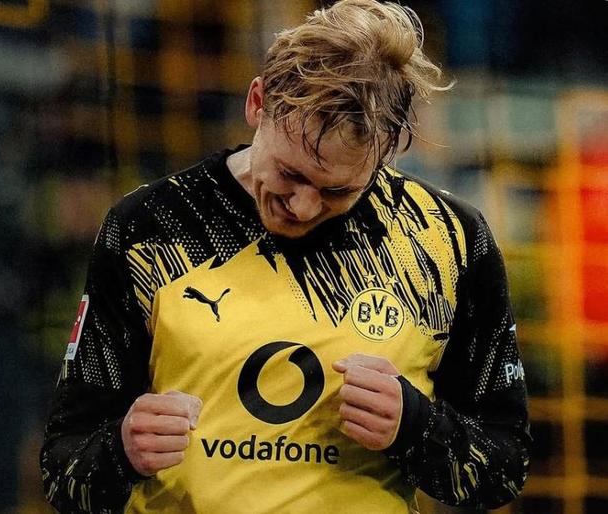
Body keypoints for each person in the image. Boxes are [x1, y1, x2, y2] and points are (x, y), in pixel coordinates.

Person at [40, 1, 531, 512]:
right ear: (258, 102)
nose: (303, 207)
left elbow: (505, 467)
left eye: (339, 190)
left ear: (385, 151)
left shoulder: (447, 240)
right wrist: (120, 451)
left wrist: (417, 429)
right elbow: (62, 470)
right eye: (290, 174)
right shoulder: (149, 229)